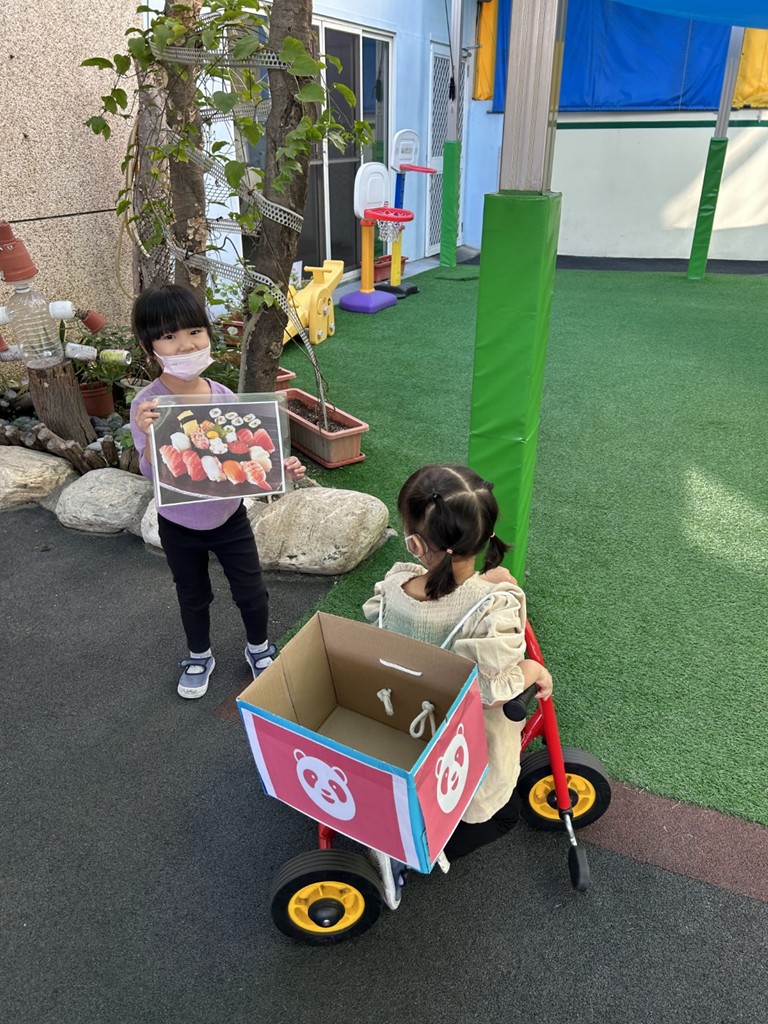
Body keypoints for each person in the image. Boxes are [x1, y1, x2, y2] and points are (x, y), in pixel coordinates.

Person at [362, 464, 553, 907]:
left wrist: (483, 584)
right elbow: (491, 689)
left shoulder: (393, 588)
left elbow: (421, 609)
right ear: (484, 536)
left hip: (403, 717)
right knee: (501, 814)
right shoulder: (494, 606)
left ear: (414, 544)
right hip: (459, 737)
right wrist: (533, 671)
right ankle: (412, 857)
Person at [129, 283, 305, 699]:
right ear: (150, 347)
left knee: (252, 590)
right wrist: (147, 435)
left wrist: (282, 467)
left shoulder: (222, 396)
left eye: (194, 331)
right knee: (192, 595)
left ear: (208, 333)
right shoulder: (148, 406)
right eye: (169, 336)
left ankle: (258, 647)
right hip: (178, 523)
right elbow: (151, 470)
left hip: (229, 518)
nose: (186, 344)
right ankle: (199, 655)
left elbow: (244, 455)